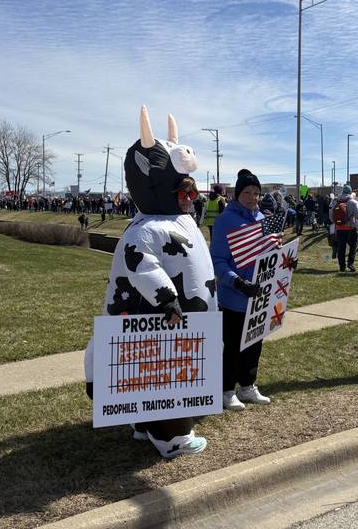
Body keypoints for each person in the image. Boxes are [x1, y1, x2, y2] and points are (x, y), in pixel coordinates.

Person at [83, 106, 214, 459]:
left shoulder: (177, 222)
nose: (190, 200)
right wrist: (166, 298)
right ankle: (169, 437)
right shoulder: (144, 230)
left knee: (165, 374)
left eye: (191, 195)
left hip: (185, 320)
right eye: (184, 195)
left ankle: (143, 424)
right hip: (162, 319)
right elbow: (142, 266)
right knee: (159, 373)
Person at [211, 169, 274, 411]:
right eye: (247, 192)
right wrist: (236, 282)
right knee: (233, 345)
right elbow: (217, 260)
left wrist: (285, 262)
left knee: (254, 344)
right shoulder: (225, 220)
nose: (252, 197)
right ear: (237, 194)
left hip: (259, 296)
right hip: (233, 296)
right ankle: (226, 390)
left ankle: (247, 385)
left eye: (256, 193)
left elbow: (270, 254)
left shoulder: (262, 219)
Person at [330, 185, 358, 272]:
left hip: (339, 228)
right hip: (350, 228)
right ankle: (350, 263)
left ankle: (342, 266)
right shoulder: (353, 202)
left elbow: (331, 214)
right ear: (350, 192)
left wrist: (336, 222)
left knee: (341, 247)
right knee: (353, 246)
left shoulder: (335, 201)